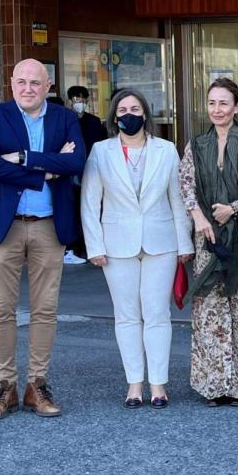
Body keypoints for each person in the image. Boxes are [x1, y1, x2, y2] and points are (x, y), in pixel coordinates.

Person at [81, 88, 194, 409]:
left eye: (134, 109)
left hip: (162, 242)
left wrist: (184, 243)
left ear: (145, 114)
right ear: (114, 116)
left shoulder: (166, 150)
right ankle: (134, 384)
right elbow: (90, 201)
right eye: (122, 110)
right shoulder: (101, 151)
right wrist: (94, 245)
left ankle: (158, 384)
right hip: (116, 244)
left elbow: (178, 200)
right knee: (127, 316)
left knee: (157, 314)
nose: (128, 115)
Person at [0, 59, 85, 420]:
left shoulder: (65, 118)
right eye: (21, 82)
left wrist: (24, 158)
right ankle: (6, 387)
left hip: (48, 225)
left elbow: (76, 163)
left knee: (45, 308)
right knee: (0, 308)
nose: (27, 88)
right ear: (11, 83)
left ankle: (36, 385)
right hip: (5, 224)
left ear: (48, 86)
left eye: (35, 83)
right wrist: (43, 172)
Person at [179, 78, 238, 407]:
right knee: (211, 310)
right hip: (207, 237)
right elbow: (185, 185)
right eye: (212, 103)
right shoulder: (196, 145)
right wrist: (200, 217)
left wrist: (234, 208)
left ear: (236, 107)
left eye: (223, 103)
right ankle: (215, 386)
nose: (217, 109)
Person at [63, 85, 107, 265]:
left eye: (82, 99)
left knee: (91, 207)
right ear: (70, 101)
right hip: (72, 170)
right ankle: (73, 248)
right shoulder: (65, 119)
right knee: (73, 209)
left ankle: (88, 247)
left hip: (92, 168)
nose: (79, 102)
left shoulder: (94, 121)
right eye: (75, 99)